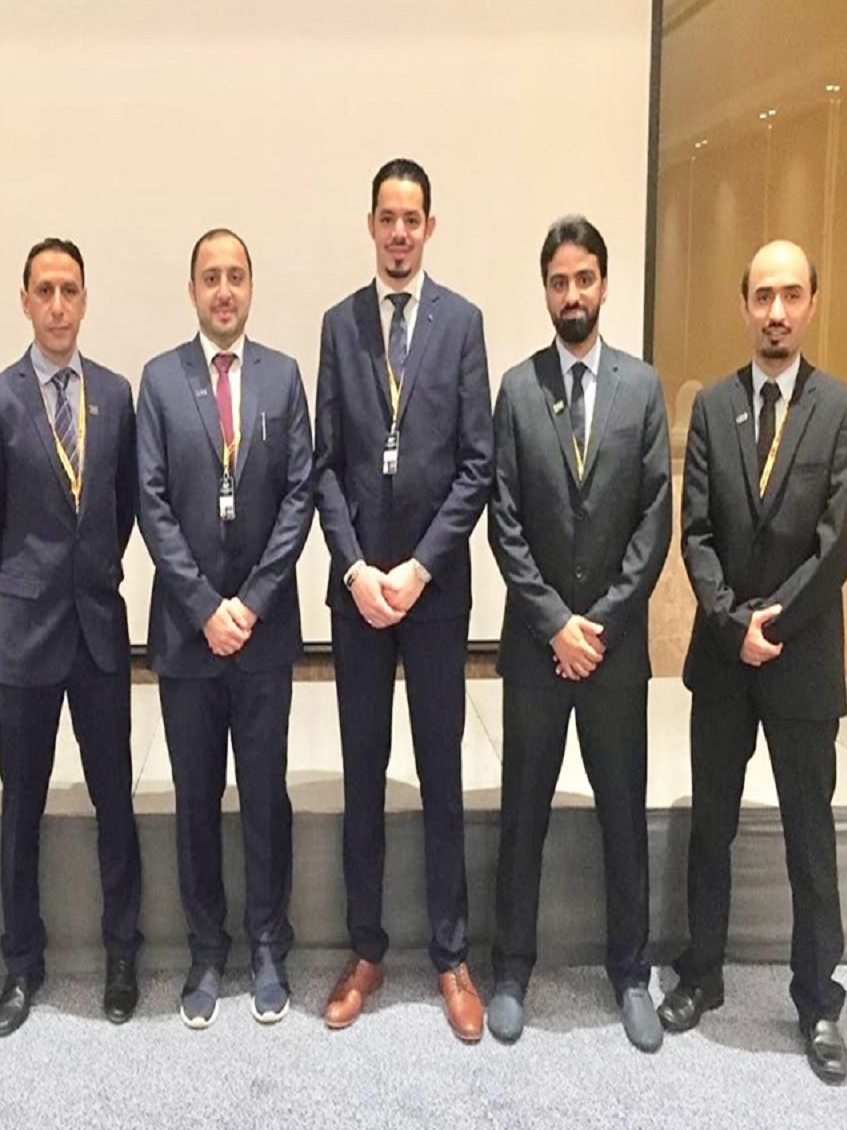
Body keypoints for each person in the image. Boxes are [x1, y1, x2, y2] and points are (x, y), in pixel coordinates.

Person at [660, 239, 847, 1086]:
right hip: (723, 658)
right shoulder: (713, 407)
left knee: (809, 838)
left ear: (812, 302)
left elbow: (837, 542)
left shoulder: (843, 409)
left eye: (790, 295)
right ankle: (700, 974)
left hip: (802, 661)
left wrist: (772, 622)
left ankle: (817, 1000)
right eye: (762, 297)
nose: (776, 312)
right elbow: (697, 532)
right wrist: (732, 621)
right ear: (743, 305)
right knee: (711, 826)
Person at [313, 158, 494, 1042]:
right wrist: (356, 570)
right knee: (363, 774)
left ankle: (451, 956)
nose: (397, 233)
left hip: (433, 593)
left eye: (411, 219)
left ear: (429, 227)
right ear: (370, 225)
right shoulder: (339, 323)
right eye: (386, 218)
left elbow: (476, 464)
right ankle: (367, 950)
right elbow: (324, 465)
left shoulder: (462, 323)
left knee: (441, 774)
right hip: (359, 599)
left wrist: (417, 569)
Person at [486, 215, 671, 1050]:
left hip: (615, 650)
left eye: (584, 279)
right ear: (545, 290)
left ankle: (630, 973)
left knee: (622, 815)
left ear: (604, 284)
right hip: (536, 649)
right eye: (559, 281)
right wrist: (556, 622)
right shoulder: (518, 389)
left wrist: (601, 621)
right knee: (522, 814)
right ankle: (511, 970)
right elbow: (504, 521)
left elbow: (654, 518)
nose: (572, 294)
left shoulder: (643, 388)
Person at [0, 238, 144, 1036]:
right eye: (45, 291)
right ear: (26, 301)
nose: (59, 305)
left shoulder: (115, 395)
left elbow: (122, 509)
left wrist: (86, 575)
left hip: (99, 631)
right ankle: (21, 965)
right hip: (28, 636)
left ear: (85, 299)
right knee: (22, 808)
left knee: (115, 802)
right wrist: (31, 584)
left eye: (70, 290)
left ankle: (122, 955)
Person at [137, 228, 313, 1029]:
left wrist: (253, 601)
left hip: (264, 634)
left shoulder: (283, 376)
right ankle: (207, 950)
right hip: (188, 635)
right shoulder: (160, 380)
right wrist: (206, 605)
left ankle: (269, 946)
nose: (223, 290)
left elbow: (300, 495)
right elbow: (151, 503)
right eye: (210, 277)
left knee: (266, 795)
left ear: (251, 287)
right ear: (192, 290)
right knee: (197, 798)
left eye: (235, 275)